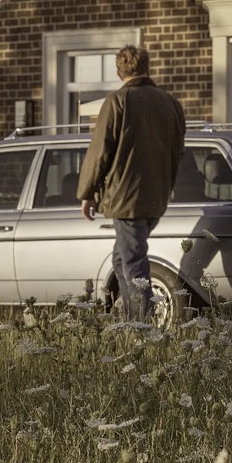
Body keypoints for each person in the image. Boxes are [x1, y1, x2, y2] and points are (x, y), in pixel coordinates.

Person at [77, 45, 186, 319]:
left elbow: (100, 149)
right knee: (122, 258)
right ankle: (131, 319)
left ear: (119, 70)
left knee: (133, 261)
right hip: (157, 196)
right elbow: (178, 150)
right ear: (147, 67)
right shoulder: (170, 102)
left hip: (126, 198)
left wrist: (87, 192)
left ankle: (142, 326)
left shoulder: (118, 101)